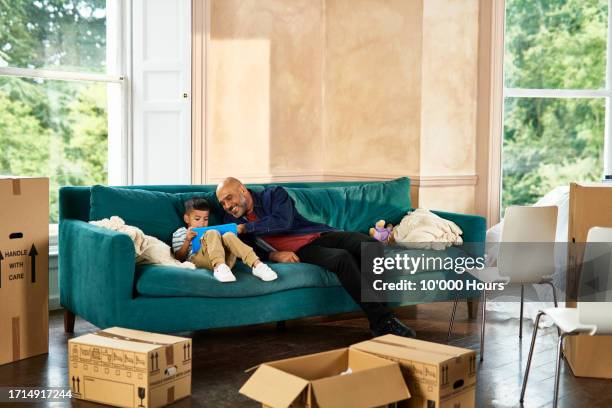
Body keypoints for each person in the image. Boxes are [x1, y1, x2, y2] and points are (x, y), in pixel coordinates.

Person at [216, 177, 416, 338]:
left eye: (229, 198)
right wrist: (273, 254)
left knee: (370, 246)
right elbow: (242, 248)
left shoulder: (274, 194)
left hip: (319, 234)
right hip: (300, 250)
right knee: (342, 259)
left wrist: (246, 227)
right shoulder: (230, 221)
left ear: (242, 190)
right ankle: (383, 322)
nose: (226, 205)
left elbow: (283, 221)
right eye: (222, 203)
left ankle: (383, 320)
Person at [172, 197, 277, 282]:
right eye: (197, 219)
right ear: (186, 218)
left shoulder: (212, 231)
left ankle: (257, 265)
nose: (202, 223)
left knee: (228, 235)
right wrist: (187, 240)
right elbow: (178, 258)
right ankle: (219, 267)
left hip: (226, 261)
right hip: (198, 261)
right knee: (212, 232)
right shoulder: (180, 232)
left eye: (206, 219)